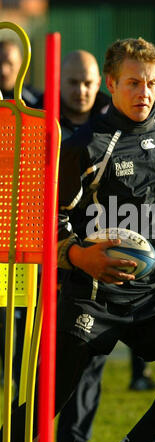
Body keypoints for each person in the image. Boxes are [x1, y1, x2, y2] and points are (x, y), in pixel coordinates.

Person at [2, 37, 155, 442]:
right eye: (134, 83)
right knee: (43, 403)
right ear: (111, 83)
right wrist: (80, 256)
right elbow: (47, 225)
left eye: (153, 83)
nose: (145, 92)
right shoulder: (85, 147)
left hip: (154, 301)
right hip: (93, 298)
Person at [55, 49, 155, 442]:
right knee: (42, 373)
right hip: (54, 260)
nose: (80, 89)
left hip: (100, 280)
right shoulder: (50, 125)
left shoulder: (122, 131)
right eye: (72, 81)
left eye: (87, 82)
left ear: (101, 84)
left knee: (88, 369)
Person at [0, 38, 42, 399]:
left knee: (24, 309)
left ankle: (22, 376)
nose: (3, 69)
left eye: (9, 62)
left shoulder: (38, 106)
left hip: (25, 221)